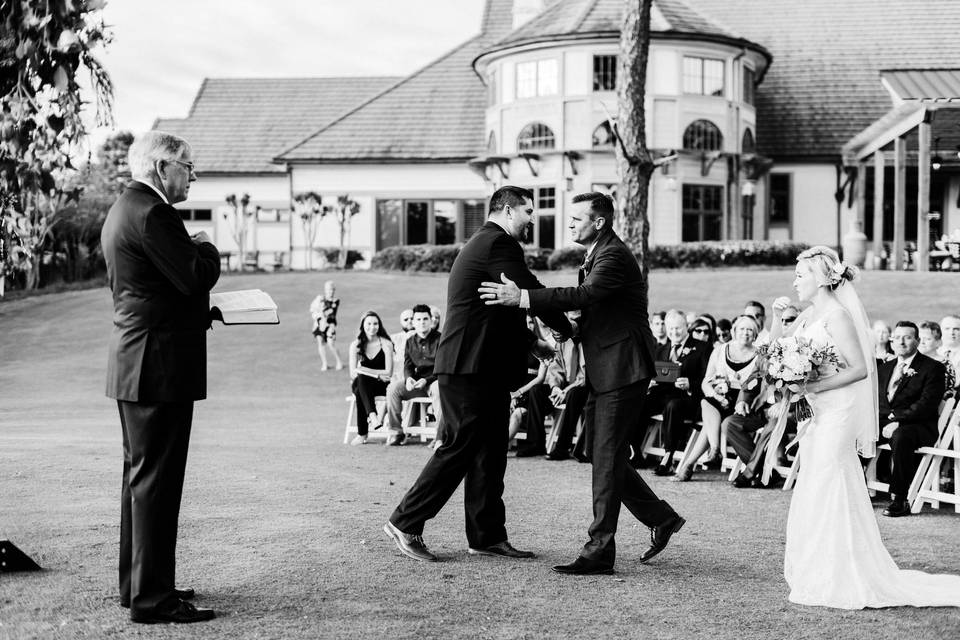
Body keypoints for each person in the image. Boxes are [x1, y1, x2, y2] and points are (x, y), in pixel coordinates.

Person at [480, 192, 685, 576]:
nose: (570, 223)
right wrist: (573, 329)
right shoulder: (597, 254)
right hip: (605, 369)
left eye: (577, 218)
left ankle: (599, 550)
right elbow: (598, 309)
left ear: (600, 222)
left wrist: (522, 297)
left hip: (624, 369)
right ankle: (661, 517)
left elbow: (585, 295)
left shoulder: (613, 256)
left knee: (605, 457)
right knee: (597, 451)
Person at [384, 186, 570, 563]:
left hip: (485, 367)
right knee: (459, 446)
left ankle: (485, 536)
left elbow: (500, 308)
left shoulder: (487, 246)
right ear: (505, 210)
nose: (532, 219)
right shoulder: (497, 245)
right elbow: (529, 292)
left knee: (490, 451)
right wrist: (567, 327)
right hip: (468, 367)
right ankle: (405, 522)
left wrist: (534, 345)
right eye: (527, 211)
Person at [775, 245, 960, 609]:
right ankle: (820, 566)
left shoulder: (838, 316)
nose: (795, 282)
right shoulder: (811, 315)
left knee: (827, 481)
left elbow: (859, 369)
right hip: (818, 409)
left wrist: (811, 385)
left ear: (821, 278)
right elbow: (782, 349)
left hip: (837, 412)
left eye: (800, 275)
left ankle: (841, 572)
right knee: (819, 481)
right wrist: (790, 371)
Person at [101, 131, 219, 624]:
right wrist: (207, 247)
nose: (193, 174)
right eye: (187, 166)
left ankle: (140, 584)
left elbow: (160, 288)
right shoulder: (153, 213)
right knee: (156, 483)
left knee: (140, 481)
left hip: (138, 363)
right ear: (160, 166)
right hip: (158, 369)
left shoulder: (124, 208)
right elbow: (194, 275)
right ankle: (153, 600)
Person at [672, 314, 760, 482]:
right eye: (742, 329)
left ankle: (693, 462)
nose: (745, 333)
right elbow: (706, 382)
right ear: (734, 331)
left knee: (709, 420)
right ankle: (711, 451)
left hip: (742, 403)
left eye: (750, 330)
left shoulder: (758, 355)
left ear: (755, 334)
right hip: (717, 397)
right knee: (707, 402)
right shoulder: (720, 350)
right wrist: (717, 396)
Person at [876, 321, 945, 517]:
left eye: (907, 337)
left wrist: (899, 420)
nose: (901, 342)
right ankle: (856, 489)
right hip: (886, 422)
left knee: (901, 436)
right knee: (854, 431)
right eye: (897, 337)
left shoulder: (933, 368)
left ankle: (900, 498)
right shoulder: (884, 368)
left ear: (917, 340)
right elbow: (878, 400)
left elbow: (927, 404)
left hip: (918, 425)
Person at [637, 310, 711, 475]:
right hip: (663, 395)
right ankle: (633, 449)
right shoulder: (662, 349)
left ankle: (668, 456)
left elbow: (708, 378)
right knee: (638, 401)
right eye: (670, 329)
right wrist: (650, 383)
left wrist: (691, 384)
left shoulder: (702, 348)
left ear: (687, 326)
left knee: (673, 406)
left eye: (678, 328)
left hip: (689, 399)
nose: (674, 332)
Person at [384, 304, 441, 447]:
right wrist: (409, 378)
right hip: (417, 381)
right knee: (393, 389)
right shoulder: (410, 341)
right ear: (413, 322)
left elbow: (443, 367)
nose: (422, 322)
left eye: (425, 319)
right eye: (418, 319)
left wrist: (426, 380)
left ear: (431, 321)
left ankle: (440, 437)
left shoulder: (440, 339)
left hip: (435, 380)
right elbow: (408, 365)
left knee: (439, 391)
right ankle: (397, 433)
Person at [348, 311, 393, 445]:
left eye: (375, 323)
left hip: (381, 385)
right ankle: (373, 416)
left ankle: (362, 433)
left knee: (359, 389)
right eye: (369, 323)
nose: (372, 327)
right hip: (363, 382)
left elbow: (388, 372)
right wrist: (375, 373)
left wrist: (366, 370)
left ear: (379, 325)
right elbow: (353, 373)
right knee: (361, 380)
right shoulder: (355, 345)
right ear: (363, 325)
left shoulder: (386, 344)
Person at [309, 280, 344, 370]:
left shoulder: (335, 301)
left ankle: (339, 362)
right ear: (325, 290)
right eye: (329, 289)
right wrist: (318, 307)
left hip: (330, 325)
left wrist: (322, 309)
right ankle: (325, 364)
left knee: (331, 344)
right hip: (319, 325)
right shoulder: (320, 299)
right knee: (320, 343)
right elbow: (313, 310)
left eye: (332, 289)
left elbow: (330, 312)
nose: (331, 291)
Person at [389, 308, 415, 382]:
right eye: (406, 319)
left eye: (412, 318)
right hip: (398, 376)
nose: (409, 321)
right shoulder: (394, 338)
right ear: (401, 322)